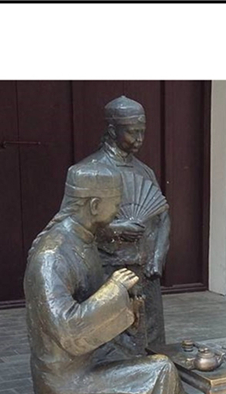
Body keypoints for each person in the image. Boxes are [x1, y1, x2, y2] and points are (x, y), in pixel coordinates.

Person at [24, 162, 199, 394]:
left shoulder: (83, 241)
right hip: (64, 378)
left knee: (161, 366)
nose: (119, 213)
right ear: (93, 205)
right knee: (150, 379)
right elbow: (67, 330)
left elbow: (91, 311)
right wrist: (113, 292)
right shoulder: (52, 256)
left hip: (89, 358)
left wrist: (128, 307)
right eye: (115, 204)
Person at [76, 95, 170, 355]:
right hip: (110, 271)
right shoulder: (90, 171)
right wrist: (116, 228)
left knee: (151, 338)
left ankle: (155, 376)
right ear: (112, 130)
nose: (139, 139)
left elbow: (162, 217)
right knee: (113, 338)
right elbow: (75, 224)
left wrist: (158, 256)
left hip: (146, 271)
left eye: (142, 132)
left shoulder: (145, 172)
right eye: (132, 132)